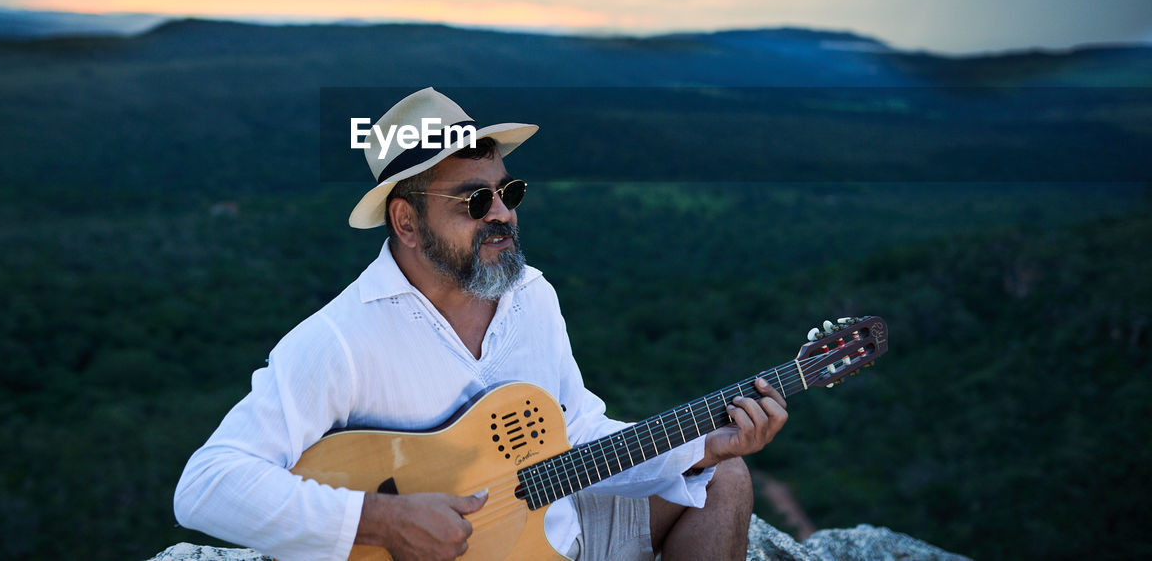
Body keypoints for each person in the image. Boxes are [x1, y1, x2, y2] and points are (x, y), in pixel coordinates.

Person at [174, 87, 788, 560]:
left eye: (507, 192)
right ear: (407, 223)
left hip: (551, 532)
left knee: (720, 478)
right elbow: (206, 483)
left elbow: (573, 431)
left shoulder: (532, 297)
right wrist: (383, 521)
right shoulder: (340, 339)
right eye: (474, 201)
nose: (501, 214)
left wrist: (702, 443)